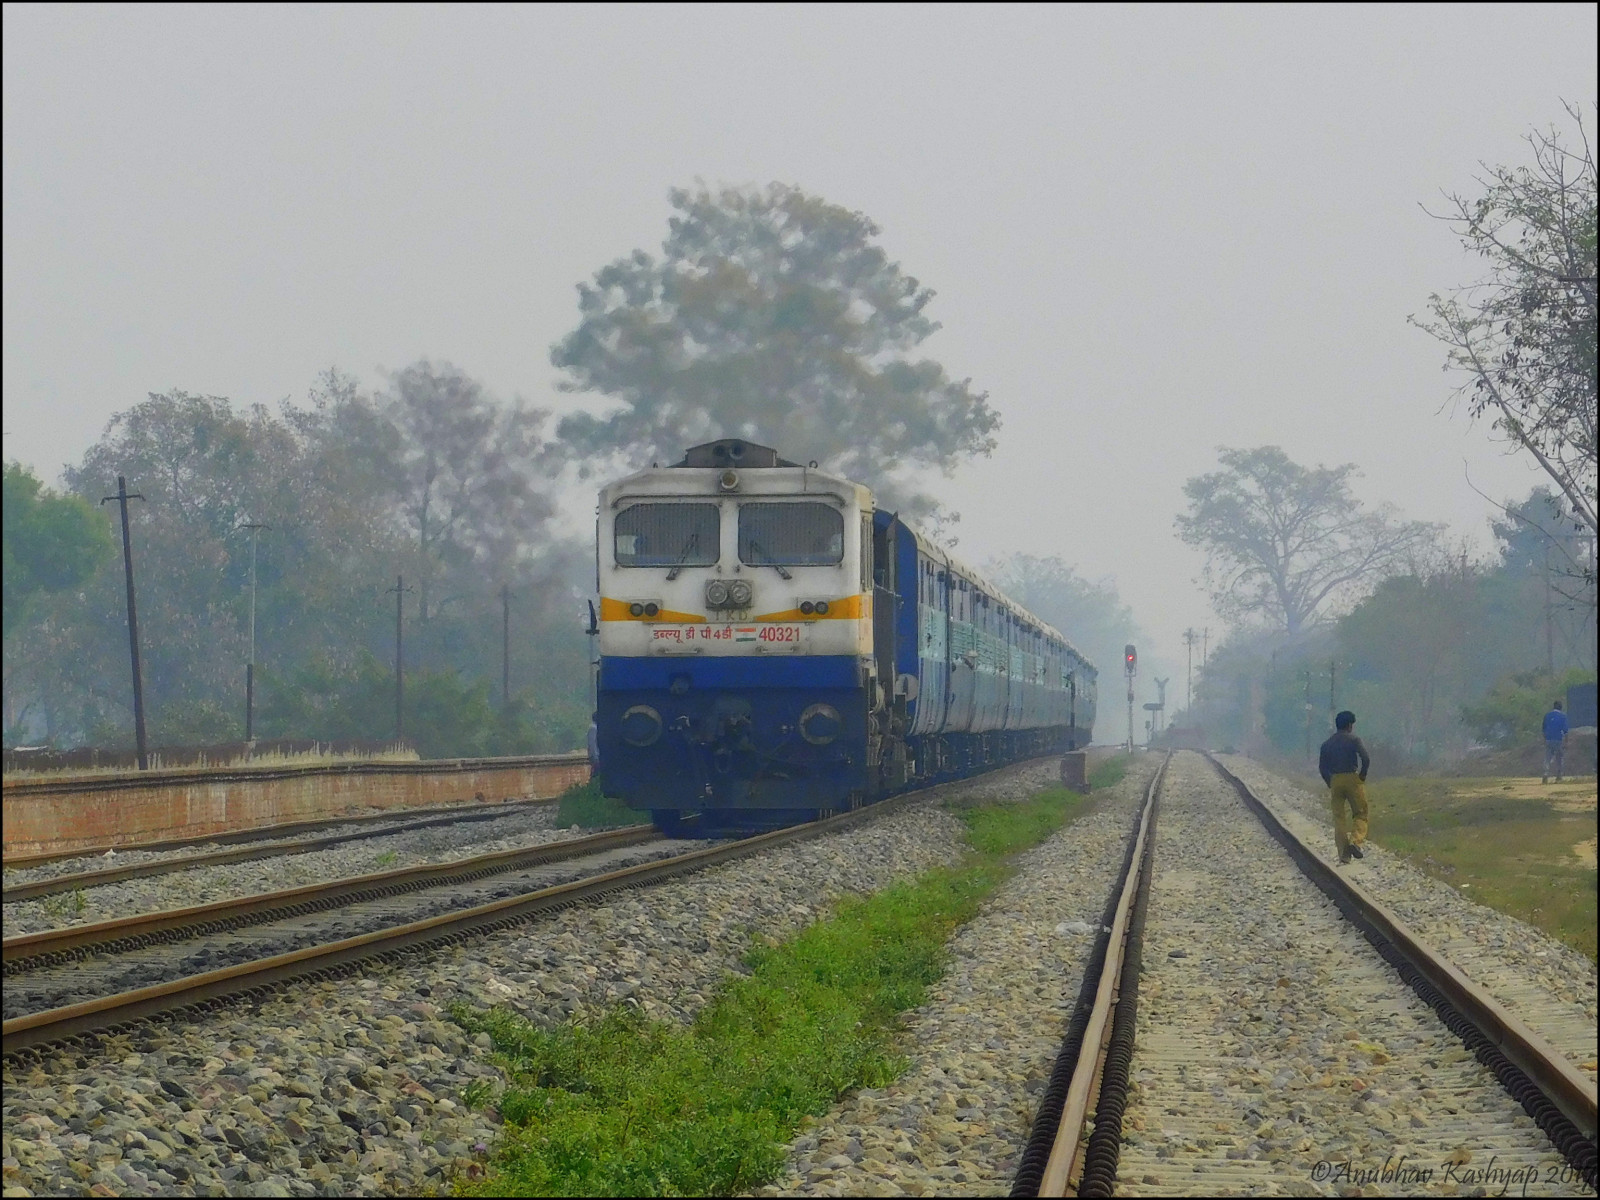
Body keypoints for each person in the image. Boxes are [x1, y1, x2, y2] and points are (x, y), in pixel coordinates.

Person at [1319, 710, 1371, 865]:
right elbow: (1366, 758)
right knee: (1361, 813)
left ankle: (1344, 855)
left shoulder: (1327, 744)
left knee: (1339, 818)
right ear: (1349, 725)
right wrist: (1362, 775)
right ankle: (1356, 842)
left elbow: (1322, 767)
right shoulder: (1354, 740)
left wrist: (1330, 782)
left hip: (1335, 780)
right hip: (1352, 778)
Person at [1541, 699, 1569, 784]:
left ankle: (1545, 773)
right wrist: (1566, 742)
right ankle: (1559, 775)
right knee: (1559, 757)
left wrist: (1545, 740)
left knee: (1547, 757)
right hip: (1558, 739)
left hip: (1549, 739)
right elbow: (1565, 731)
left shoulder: (1547, 715)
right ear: (1561, 707)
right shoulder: (1563, 716)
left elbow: (1543, 729)